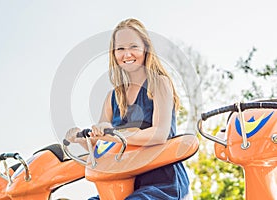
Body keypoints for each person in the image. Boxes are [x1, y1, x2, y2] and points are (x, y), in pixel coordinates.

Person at [66, 18, 192, 200]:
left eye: (133, 46)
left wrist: (116, 135)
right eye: (121, 49)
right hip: (123, 182)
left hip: (161, 182)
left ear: (146, 48)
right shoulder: (112, 97)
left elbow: (160, 134)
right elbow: (101, 147)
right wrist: (82, 138)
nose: (127, 54)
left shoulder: (159, 83)